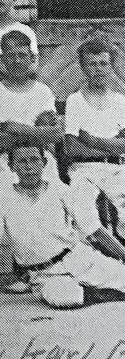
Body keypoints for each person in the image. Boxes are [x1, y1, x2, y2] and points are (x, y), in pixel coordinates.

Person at [0, 144, 125, 309]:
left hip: (77, 258)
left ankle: (102, 288)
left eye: (34, 160)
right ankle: (100, 292)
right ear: (12, 166)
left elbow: (94, 229)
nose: (29, 166)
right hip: (44, 274)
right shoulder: (3, 199)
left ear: (43, 163)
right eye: (22, 161)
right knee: (63, 298)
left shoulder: (60, 190)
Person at [0, 29, 63, 194]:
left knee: (53, 196)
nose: (17, 61)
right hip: (8, 161)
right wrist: (38, 133)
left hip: (42, 159)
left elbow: (55, 135)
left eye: (22, 55)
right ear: (2, 59)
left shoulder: (43, 92)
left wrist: (14, 128)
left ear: (32, 58)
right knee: (11, 195)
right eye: (11, 56)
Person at [64, 37, 125, 239]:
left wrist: (93, 141)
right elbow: (72, 148)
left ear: (111, 66)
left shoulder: (120, 101)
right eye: (92, 64)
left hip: (118, 168)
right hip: (84, 169)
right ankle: (107, 258)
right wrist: (113, 145)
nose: (98, 69)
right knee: (82, 212)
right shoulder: (75, 101)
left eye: (103, 64)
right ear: (83, 67)